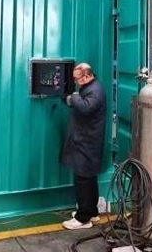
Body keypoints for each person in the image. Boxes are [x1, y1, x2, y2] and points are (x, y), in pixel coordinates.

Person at [61, 63, 107, 230]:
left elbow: (85, 108)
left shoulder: (96, 91)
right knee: (88, 178)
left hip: (87, 143)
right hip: (87, 142)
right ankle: (92, 212)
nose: (75, 82)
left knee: (82, 180)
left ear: (87, 76)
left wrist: (73, 97)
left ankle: (83, 218)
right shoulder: (90, 87)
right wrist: (70, 98)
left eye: (77, 79)